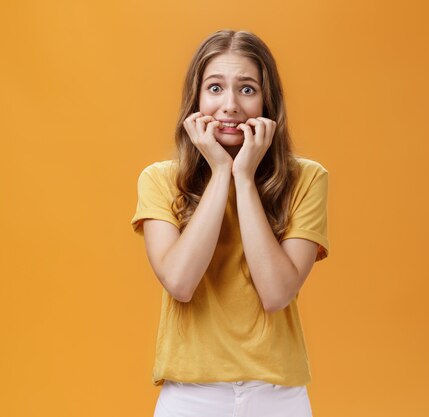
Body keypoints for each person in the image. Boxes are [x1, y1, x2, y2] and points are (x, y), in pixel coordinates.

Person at [131, 29, 329, 417]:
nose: (231, 105)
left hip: (278, 397)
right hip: (190, 397)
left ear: (268, 102)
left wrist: (244, 177)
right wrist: (220, 171)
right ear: (196, 98)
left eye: (248, 89)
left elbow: (276, 293)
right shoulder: (159, 179)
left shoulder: (307, 179)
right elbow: (180, 282)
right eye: (216, 88)